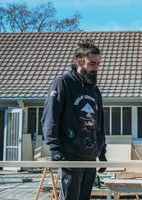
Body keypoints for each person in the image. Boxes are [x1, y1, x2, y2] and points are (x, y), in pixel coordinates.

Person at [42, 39, 107, 200]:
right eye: (92, 64)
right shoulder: (63, 83)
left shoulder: (95, 90)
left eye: (98, 64)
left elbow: (100, 122)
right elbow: (50, 116)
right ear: (79, 61)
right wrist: (55, 148)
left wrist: (102, 151)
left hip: (90, 154)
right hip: (70, 154)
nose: (96, 68)